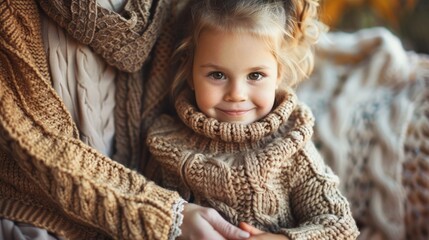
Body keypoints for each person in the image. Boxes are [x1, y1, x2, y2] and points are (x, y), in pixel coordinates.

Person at [0, 0, 251, 239]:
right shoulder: (11, 12)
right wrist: (168, 215)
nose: (238, 94)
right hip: (36, 212)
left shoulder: (174, 11)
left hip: (156, 201)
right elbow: (37, 142)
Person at [146, 0, 360, 239]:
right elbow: (142, 215)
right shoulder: (165, 144)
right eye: (217, 75)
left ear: (278, 75)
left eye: (255, 75)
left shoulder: (291, 149)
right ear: (190, 75)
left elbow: (340, 225)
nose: (236, 93)